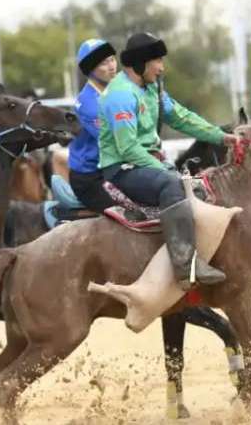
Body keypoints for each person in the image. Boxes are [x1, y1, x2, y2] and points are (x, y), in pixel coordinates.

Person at [99, 32, 239, 289]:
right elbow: (128, 148)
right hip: (123, 169)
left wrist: (220, 137)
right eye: (158, 61)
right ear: (141, 63)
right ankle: (186, 267)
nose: (162, 68)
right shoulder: (120, 96)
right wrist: (167, 170)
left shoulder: (152, 88)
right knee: (173, 185)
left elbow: (181, 118)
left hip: (146, 163)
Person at [68, 39, 119, 211]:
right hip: (90, 178)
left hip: (112, 169)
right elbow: (117, 140)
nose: (112, 66)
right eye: (104, 63)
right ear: (90, 69)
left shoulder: (118, 91)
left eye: (112, 59)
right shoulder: (88, 103)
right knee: (127, 213)